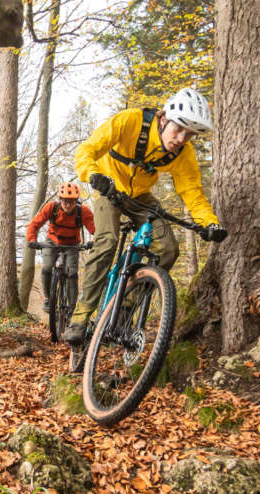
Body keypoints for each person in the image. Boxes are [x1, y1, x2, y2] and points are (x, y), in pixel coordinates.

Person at [62, 87, 227, 345]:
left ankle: (125, 310)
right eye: (178, 129)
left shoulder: (183, 153)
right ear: (164, 118)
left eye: (189, 135)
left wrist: (210, 223)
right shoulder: (130, 121)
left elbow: (192, 192)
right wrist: (94, 175)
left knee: (169, 250)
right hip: (109, 189)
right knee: (107, 241)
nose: (182, 139)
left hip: (140, 197)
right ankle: (80, 319)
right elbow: (87, 149)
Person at [26, 182, 96, 312]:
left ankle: (72, 308)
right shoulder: (51, 208)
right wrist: (32, 240)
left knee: (72, 273)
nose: (68, 205)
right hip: (52, 242)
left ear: (76, 201)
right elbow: (34, 224)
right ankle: (48, 299)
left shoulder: (83, 211)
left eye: (71, 202)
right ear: (60, 199)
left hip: (72, 244)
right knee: (47, 267)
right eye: (65, 201)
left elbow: (95, 229)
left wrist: (94, 240)